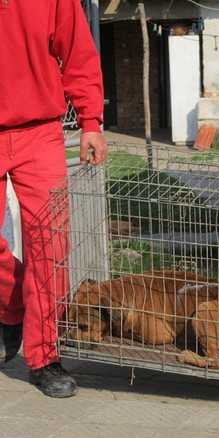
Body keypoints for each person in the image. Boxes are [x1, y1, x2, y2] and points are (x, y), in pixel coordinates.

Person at [0, 0, 107, 398]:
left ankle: (44, 355)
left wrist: (90, 122)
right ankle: (12, 308)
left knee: (50, 247)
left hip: (40, 131)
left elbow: (78, 51)